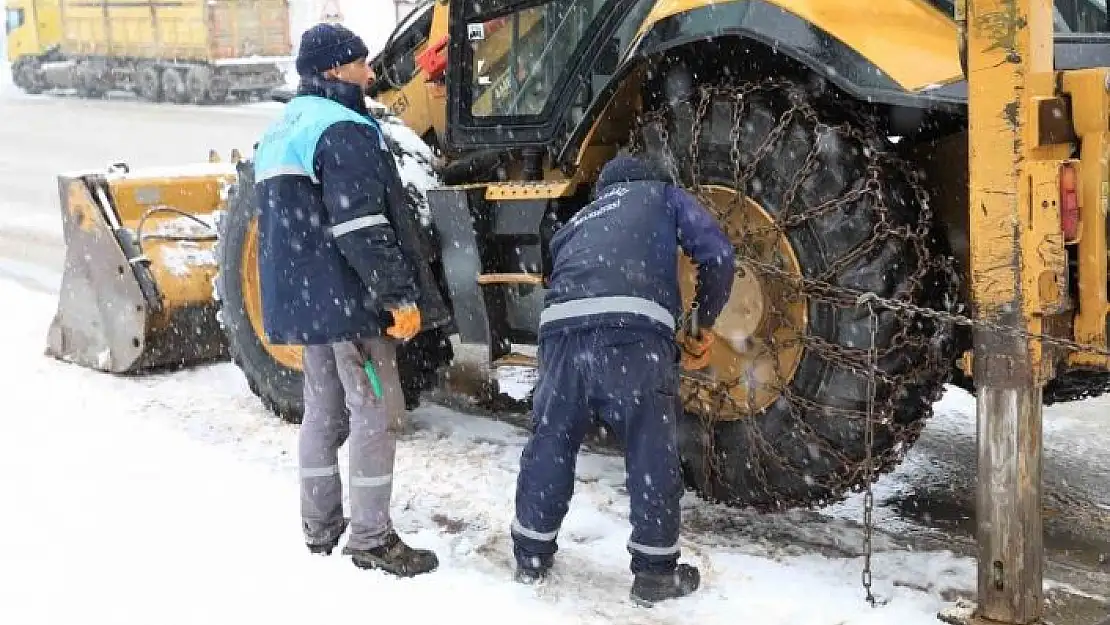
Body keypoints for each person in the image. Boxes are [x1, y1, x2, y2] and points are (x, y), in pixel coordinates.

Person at [252, 22, 451, 577]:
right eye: (362, 63)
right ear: (335, 70)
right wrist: (397, 295)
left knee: (321, 411)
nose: (371, 73)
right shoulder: (343, 127)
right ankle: (371, 537)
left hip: (312, 303)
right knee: (377, 413)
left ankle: (320, 527)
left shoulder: (284, 126)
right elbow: (361, 224)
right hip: (350, 300)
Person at [510, 154, 736, 605]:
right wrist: (700, 323)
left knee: (551, 441)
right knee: (649, 446)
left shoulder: (580, 216)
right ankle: (654, 573)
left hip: (560, 335)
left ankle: (531, 553)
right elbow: (717, 254)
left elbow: (554, 273)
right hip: (632, 335)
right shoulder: (664, 196)